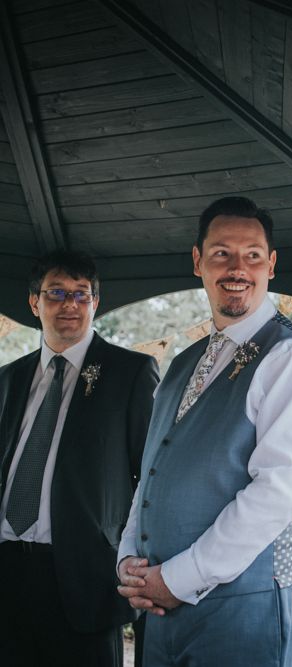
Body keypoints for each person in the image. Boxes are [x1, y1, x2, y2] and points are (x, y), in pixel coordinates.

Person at [117, 196, 292, 666]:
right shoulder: (180, 365)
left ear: (271, 265)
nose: (238, 267)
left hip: (247, 609)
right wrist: (129, 559)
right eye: (221, 253)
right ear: (198, 261)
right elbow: (150, 471)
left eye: (253, 255)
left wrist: (177, 579)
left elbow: (282, 489)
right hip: (160, 608)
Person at [0, 250, 159, 667]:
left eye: (81, 294)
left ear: (95, 303)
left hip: (84, 577)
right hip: (6, 572)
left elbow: (152, 477)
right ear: (34, 303)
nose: (69, 304)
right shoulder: (9, 378)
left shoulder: (132, 372)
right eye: (56, 293)